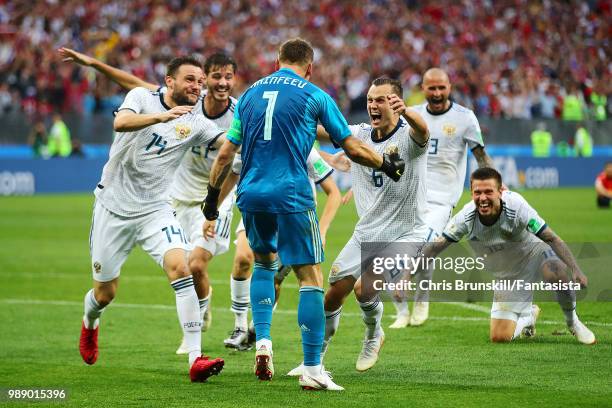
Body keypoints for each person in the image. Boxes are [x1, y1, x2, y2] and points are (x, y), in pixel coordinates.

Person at [202, 38, 405, 391]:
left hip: (250, 193)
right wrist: (386, 163)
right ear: (309, 67)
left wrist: (211, 199)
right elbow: (353, 147)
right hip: (292, 194)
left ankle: (262, 341)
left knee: (264, 264)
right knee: (310, 277)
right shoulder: (314, 95)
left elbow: (225, 153)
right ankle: (312, 368)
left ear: (276, 61)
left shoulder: (249, 94)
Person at [59, 47, 239, 352]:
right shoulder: (142, 99)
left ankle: (196, 356)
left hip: (156, 209)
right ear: (169, 81)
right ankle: (90, 321)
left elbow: (229, 143)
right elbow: (121, 123)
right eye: (190, 80)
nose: (197, 86)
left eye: (199, 82)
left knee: (182, 267)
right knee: (104, 294)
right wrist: (162, 117)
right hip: (113, 207)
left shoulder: (197, 122)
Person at [286, 77, 428, 377]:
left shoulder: (409, 138)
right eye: (370, 100)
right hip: (367, 231)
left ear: (396, 102)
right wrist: (293, 115)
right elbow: (324, 132)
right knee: (333, 294)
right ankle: (315, 360)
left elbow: (423, 130)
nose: (373, 105)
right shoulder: (359, 134)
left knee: (365, 289)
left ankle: (374, 333)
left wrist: (408, 112)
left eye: (381, 100)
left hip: (406, 232)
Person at [422, 167, 595, 344]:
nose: (483, 198)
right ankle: (528, 316)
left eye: (488, 191)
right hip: (509, 274)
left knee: (555, 270)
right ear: (471, 193)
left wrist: (576, 269)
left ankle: (572, 321)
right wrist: (406, 276)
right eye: (477, 192)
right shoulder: (465, 218)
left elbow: (550, 237)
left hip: (534, 254)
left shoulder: (516, 205)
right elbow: (435, 248)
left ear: (500, 191)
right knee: (500, 338)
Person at [390, 68, 496, 328]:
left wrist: (495, 185)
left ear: (450, 87)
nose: (437, 93)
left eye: (441, 88)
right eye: (431, 88)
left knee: (426, 246)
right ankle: (402, 311)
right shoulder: (411, 115)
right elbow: (394, 151)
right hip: (410, 193)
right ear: (423, 89)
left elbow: (480, 155)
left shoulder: (464, 117)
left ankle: (421, 299)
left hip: (443, 198)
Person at [223, 147, 342, 350]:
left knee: (276, 280)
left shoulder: (303, 147)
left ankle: (257, 332)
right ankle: (240, 326)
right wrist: (211, 208)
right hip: (259, 207)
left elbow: (334, 192)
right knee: (243, 259)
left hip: (295, 217)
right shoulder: (254, 141)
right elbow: (230, 167)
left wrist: (321, 230)